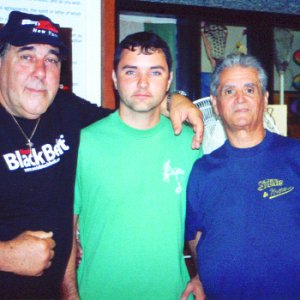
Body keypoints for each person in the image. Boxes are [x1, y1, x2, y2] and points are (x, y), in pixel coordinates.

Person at [0, 11, 203, 299]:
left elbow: (133, 112)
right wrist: (6, 255)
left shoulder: (66, 112)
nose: (40, 71)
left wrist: (176, 99)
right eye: (26, 56)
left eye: (52, 60)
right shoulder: (81, 135)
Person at [61, 31, 203, 299]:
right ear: (115, 78)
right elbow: (67, 226)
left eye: (155, 72)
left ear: (169, 79)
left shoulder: (190, 144)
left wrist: (203, 274)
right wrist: (69, 294)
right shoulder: (84, 143)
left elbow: (199, 226)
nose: (142, 83)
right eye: (130, 71)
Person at [181, 54, 300, 299]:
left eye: (249, 89)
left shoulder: (295, 155)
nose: (240, 99)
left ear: (265, 98)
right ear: (215, 104)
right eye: (229, 91)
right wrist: (202, 274)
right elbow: (196, 234)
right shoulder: (203, 170)